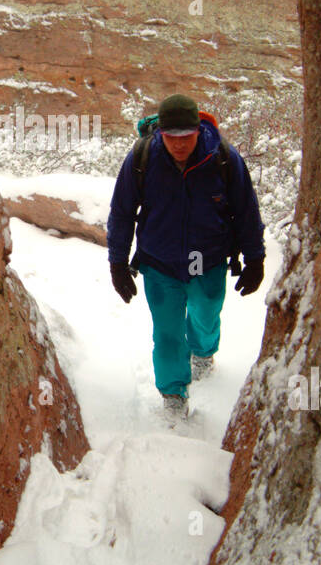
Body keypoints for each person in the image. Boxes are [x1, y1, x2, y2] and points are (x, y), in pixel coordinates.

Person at [107, 93, 265, 418]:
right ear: (160, 133)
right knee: (166, 335)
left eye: (186, 136)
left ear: (198, 129)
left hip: (207, 260)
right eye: (171, 137)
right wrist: (117, 263)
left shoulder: (222, 157)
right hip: (160, 263)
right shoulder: (142, 158)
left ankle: (203, 352)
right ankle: (173, 395)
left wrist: (255, 258)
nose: (179, 144)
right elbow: (122, 212)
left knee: (206, 316)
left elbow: (246, 210)